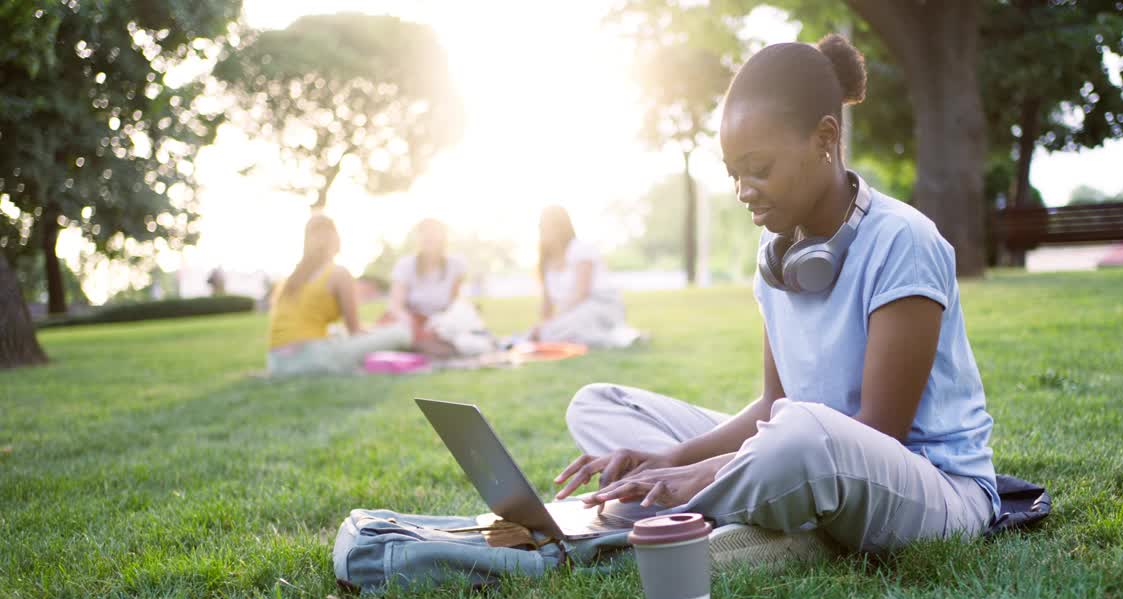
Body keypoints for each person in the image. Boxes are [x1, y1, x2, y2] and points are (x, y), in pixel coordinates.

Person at [553, 35, 998, 558]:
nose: (743, 190)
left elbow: (880, 430)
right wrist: (667, 458)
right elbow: (772, 405)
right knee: (597, 406)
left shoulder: (904, 241)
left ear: (824, 138)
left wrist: (699, 475)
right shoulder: (777, 252)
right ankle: (774, 524)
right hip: (804, 453)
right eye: (733, 173)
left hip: (931, 489)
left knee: (798, 438)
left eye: (759, 169)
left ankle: (729, 514)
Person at [266, 214, 410, 376]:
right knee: (400, 332)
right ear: (336, 239)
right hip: (314, 359)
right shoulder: (338, 273)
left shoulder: (292, 279)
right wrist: (378, 331)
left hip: (277, 363)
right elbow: (354, 330)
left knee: (336, 331)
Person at [530, 205, 637, 348]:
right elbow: (546, 306)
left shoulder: (580, 249)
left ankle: (624, 337)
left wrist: (555, 321)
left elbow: (581, 293)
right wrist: (543, 325)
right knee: (545, 333)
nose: (544, 231)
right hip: (571, 313)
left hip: (600, 305)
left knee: (562, 329)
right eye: (541, 226)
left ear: (562, 228)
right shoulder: (545, 261)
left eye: (548, 226)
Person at [387, 218, 468, 356]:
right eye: (425, 234)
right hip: (410, 322)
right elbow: (396, 307)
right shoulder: (405, 265)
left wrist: (441, 324)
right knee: (400, 334)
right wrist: (413, 325)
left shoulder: (455, 265)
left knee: (464, 337)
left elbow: (454, 304)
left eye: (434, 234)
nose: (429, 238)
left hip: (440, 324)